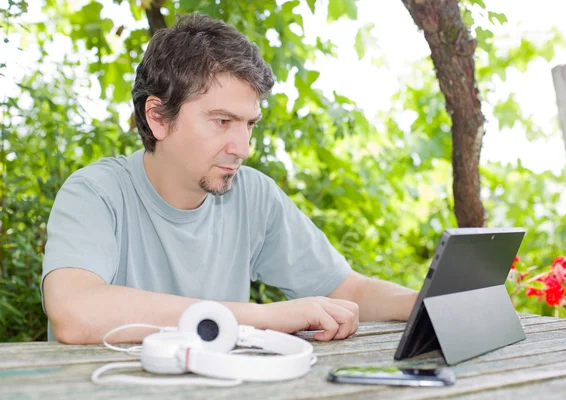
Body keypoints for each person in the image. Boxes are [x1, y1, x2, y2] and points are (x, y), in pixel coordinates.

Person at [41, 13, 418, 344]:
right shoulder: (95, 193)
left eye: (249, 124)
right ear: (157, 117)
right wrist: (263, 317)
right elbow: (75, 313)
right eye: (222, 121)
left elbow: (345, 289)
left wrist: (424, 302)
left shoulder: (253, 194)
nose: (243, 147)